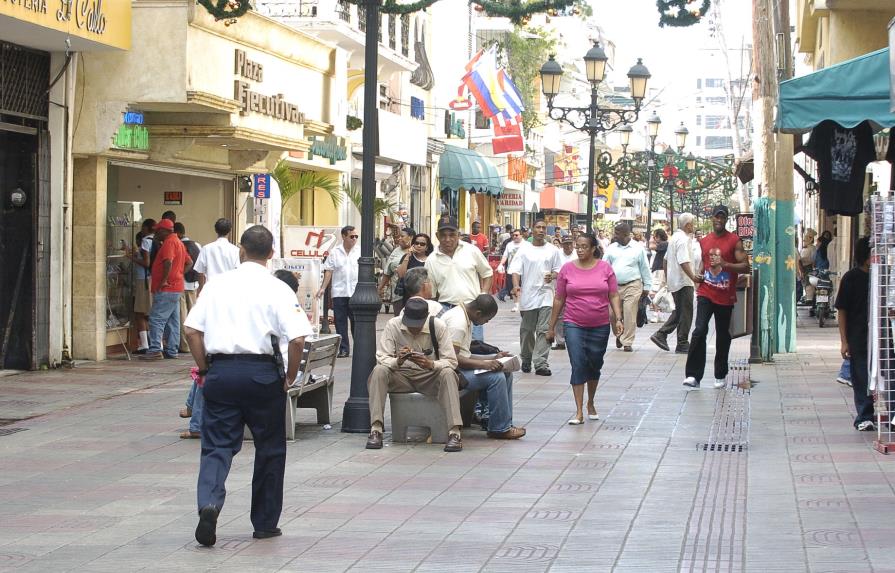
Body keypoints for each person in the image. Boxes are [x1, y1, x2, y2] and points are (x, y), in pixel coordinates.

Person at [183, 225, 314, 547]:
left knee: (216, 446)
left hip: (222, 372)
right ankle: (265, 523)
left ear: (241, 250)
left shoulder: (216, 285)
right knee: (269, 449)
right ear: (271, 254)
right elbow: (298, 338)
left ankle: (209, 503)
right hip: (262, 374)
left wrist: (204, 368)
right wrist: (290, 376)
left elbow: (191, 331)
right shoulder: (277, 289)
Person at [365, 297, 464, 452]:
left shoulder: (438, 326)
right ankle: (376, 428)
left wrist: (431, 364)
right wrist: (397, 360)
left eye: (417, 326)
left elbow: (451, 361)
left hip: (428, 376)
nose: (413, 329)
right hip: (401, 376)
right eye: (410, 325)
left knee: (448, 374)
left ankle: (454, 433)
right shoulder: (394, 325)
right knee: (379, 371)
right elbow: (382, 357)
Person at [547, 233, 623, 424]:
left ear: (593, 249)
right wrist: (551, 326)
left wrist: (618, 318)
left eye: (583, 247)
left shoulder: (605, 268)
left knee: (594, 363)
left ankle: (591, 402)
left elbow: (613, 295)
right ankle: (579, 411)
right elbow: (559, 298)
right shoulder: (567, 269)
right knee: (578, 363)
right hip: (573, 323)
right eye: (577, 246)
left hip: (600, 324)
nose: (579, 250)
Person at [683, 205, 750, 389]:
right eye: (716, 217)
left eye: (722, 217)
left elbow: (746, 267)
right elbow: (704, 265)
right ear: (712, 218)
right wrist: (698, 276)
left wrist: (725, 264)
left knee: (722, 335)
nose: (719, 220)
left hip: (725, 295)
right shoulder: (704, 241)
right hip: (706, 292)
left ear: (726, 219)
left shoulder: (734, 240)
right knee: (699, 330)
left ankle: (720, 374)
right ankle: (693, 375)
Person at [442, 294, 526, 440]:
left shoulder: (464, 315)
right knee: (496, 377)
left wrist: (493, 358)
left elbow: (465, 354)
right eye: (486, 319)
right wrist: (484, 364)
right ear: (478, 313)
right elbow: (453, 358)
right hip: (450, 372)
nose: (486, 323)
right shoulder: (458, 323)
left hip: (458, 368)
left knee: (505, 372)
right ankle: (499, 429)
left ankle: (504, 423)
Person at [425, 216, 493, 341]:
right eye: (443, 235)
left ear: (458, 234)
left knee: (476, 346)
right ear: (437, 235)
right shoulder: (431, 260)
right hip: (446, 310)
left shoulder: (471, 250)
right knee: (449, 349)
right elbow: (432, 294)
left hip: (473, 309)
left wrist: (483, 294)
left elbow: (487, 273)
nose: (447, 239)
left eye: (452, 235)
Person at [509, 219, 562, 376]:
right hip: (528, 296)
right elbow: (515, 271)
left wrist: (552, 275)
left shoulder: (553, 250)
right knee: (527, 330)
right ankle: (526, 358)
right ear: (532, 230)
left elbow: (559, 271)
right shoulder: (524, 250)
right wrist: (516, 286)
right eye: (538, 227)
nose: (541, 230)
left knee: (544, 329)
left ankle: (540, 363)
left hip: (546, 294)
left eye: (543, 228)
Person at [835, 237, 874, 431]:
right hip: (858, 336)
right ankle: (864, 416)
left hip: (882, 337)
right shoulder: (851, 278)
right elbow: (842, 310)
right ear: (867, 258)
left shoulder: (883, 278)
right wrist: (844, 341)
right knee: (860, 376)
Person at [140, 219, 193, 360]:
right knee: (172, 321)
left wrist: (164, 281)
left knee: (156, 319)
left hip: (167, 288)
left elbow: (168, 262)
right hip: (176, 287)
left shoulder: (169, 242)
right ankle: (172, 350)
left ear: (165, 231)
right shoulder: (178, 242)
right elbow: (189, 262)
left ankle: (155, 349)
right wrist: (179, 275)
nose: (156, 233)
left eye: (158, 230)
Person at [651, 214, 702, 354]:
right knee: (686, 312)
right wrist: (693, 277)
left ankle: (671, 338)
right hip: (683, 281)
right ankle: (678, 340)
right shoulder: (684, 240)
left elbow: (666, 260)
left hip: (676, 281)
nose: (694, 226)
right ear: (687, 225)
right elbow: (683, 261)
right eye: (693, 223)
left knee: (680, 311)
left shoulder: (674, 238)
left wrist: (669, 279)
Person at [603, 222, 651, 352]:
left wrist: (647, 285)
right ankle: (619, 334)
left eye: (617, 233)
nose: (615, 235)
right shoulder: (611, 248)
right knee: (612, 314)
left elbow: (645, 267)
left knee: (629, 311)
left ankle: (627, 341)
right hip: (614, 287)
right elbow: (604, 267)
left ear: (625, 234)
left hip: (633, 284)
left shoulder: (637, 248)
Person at [318, 226, 360, 357]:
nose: (354, 239)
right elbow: (329, 271)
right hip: (339, 292)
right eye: (351, 236)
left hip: (355, 293)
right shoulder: (335, 252)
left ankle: (359, 348)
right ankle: (343, 349)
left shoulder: (359, 251)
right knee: (340, 322)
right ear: (344, 236)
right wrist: (323, 288)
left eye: (356, 236)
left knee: (356, 321)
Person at [194, 218, 240, 296]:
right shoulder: (236, 250)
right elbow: (238, 272)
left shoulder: (206, 249)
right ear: (230, 231)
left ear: (216, 230)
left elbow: (200, 272)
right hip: (229, 291)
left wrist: (201, 290)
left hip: (211, 291)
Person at [175, 222, 202, 354]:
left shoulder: (179, 245)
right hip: (194, 284)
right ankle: (196, 344)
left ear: (178, 233)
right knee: (194, 316)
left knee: (182, 316)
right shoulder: (197, 245)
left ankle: (184, 345)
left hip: (181, 284)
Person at [131, 218, 156, 354]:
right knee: (150, 313)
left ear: (146, 228)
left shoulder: (146, 241)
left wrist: (132, 258)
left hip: (143, 280)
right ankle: (154, 343)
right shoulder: (158, 240)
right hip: (153, 279)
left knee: (140, 313)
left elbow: (146, 262)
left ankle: (145, 345)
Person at [379, 227, 414, 316]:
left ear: (411, 237)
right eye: (399, 236)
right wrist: (380, 288)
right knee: (398, 321)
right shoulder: (396, 251)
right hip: (398, 294)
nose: (399, 238)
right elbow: (388, 272)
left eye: (402, 236)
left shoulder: (417, 250)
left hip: (414, 294)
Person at [397, 233, 433, 306]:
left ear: (427, 247)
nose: (419, 246)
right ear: (413, 244)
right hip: (409, 298)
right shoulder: (407, 257)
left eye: (422, 244)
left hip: (427, 298)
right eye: (416, 243)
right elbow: (401, 274)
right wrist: (408, 255)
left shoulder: (431, 260)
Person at [497, 229, 524, 304]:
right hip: (511, 270)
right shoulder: (509, 245)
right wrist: (501, 264)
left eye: (516, 235)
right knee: (512, 289)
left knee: (520, 287)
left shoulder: (526, 245)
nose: (514, 236)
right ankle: (516, 303)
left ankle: (519, 303)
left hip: (522, 270)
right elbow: (505, 256)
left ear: (521, 236)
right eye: (513, 235)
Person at [798, 229, 817, 305]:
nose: (805, 240)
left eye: (807, 238)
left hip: (809, 267)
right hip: (804, 267)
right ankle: (808, 297)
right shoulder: (805, 248)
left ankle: (810, 298)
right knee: (805, 283)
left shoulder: (812, 248)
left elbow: (812, 259)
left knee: (809, 283)